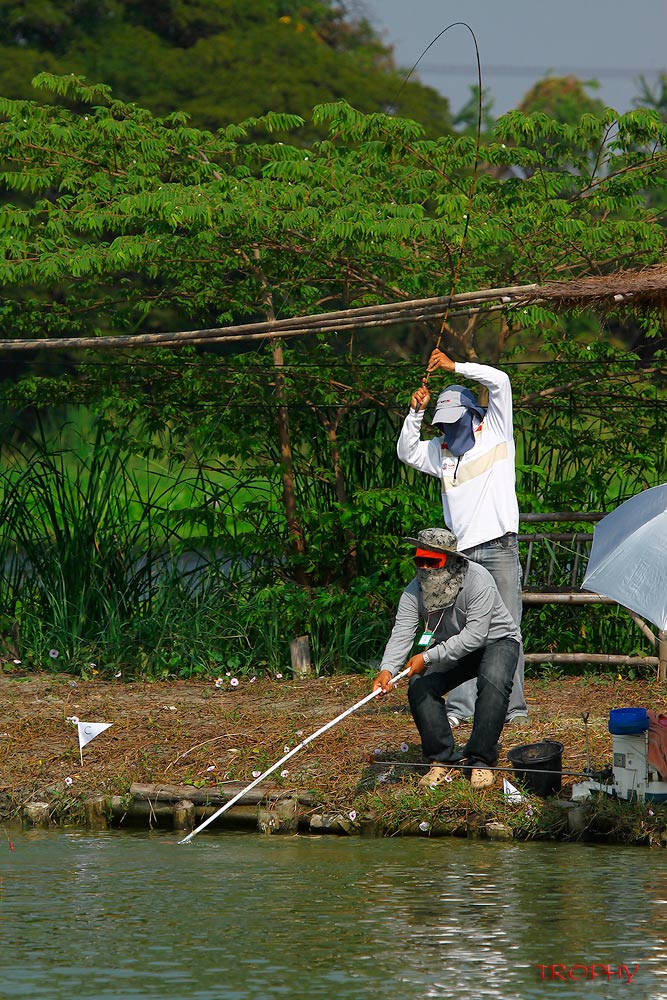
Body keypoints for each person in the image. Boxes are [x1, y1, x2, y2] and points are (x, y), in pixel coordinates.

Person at [396, 347, 527, 727]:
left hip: (501, 548)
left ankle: (512, 707)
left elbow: (499, 381)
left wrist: (457, 367)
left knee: (506, 630)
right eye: (442, 424)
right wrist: (415, 412)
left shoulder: (498, 431)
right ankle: (460, 708)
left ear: (473, 416)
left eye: (454, 422)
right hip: (463, 557)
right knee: (459, 631)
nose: (447, 431)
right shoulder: (441, 453)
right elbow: (406, 451)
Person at [372, 527, 521, 789]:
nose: (425, 568)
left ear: (451, 560)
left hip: (496, 641)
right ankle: (441, 758)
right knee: (419, 684)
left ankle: (481, 761)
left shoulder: (478, 580)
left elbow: (475, 636)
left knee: (494, 683)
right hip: (450, 647)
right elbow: (402, 631)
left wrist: (427, 657)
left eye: (433, 561)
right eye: (420, 561)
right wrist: (387, 669)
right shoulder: (414, 590)